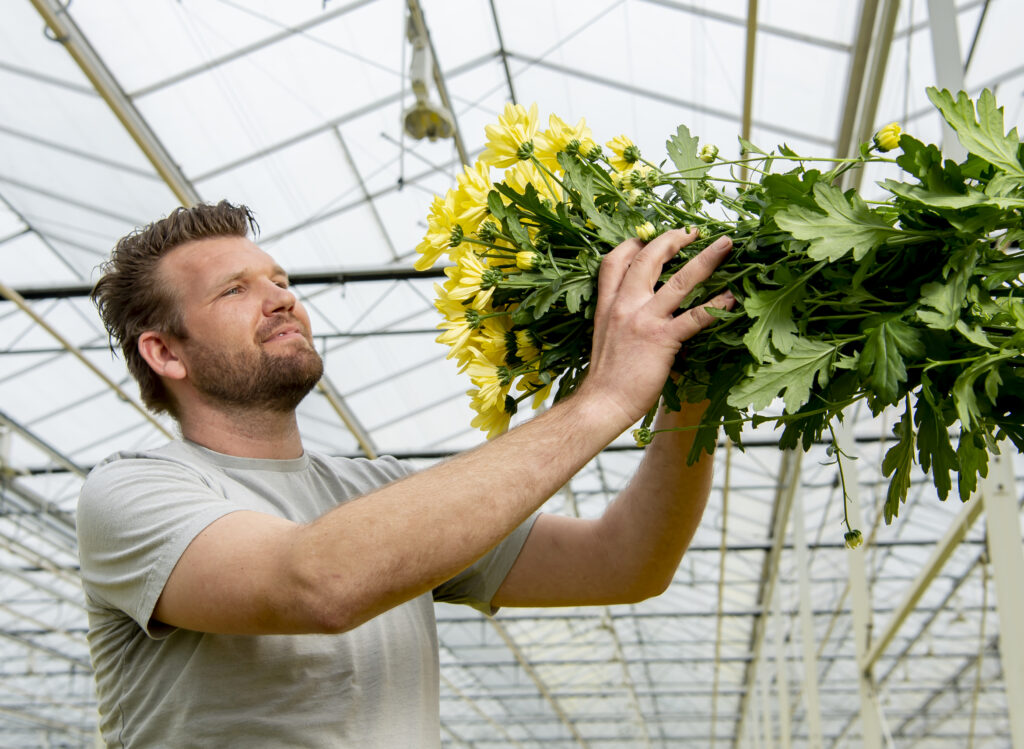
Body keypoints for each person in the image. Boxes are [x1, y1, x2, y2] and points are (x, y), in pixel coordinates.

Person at [77, 200, 735, 748]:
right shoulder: (133, 492)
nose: (280, 299)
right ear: (165, 352)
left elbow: (625, 562)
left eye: (280, 280)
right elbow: (316, 583)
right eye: (234, 289)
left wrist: (691, 389)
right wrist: (606, 397)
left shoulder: (378, 493)